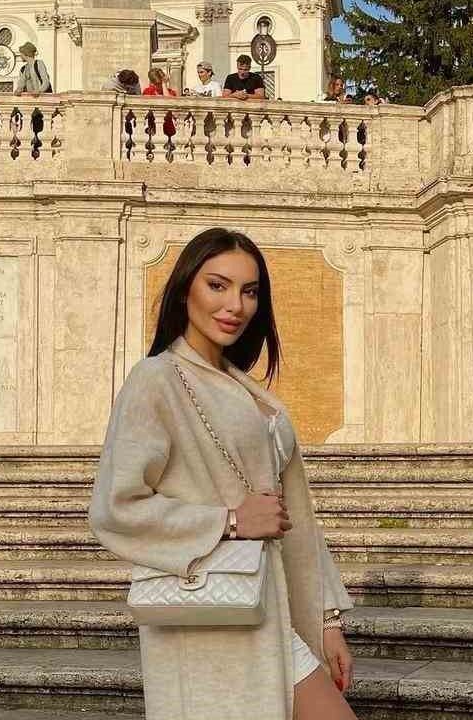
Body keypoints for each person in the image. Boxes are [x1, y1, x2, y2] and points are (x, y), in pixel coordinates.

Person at [89, 228, 356, 720]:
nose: (236, 305)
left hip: (272, 612)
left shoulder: (249, 392)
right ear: (185, 289)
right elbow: (116, 507)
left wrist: (327, 621)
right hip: (212, 613)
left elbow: (299, 524)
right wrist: (229, 521)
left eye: (249, 291)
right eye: (218, 285)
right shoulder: (156, 380)